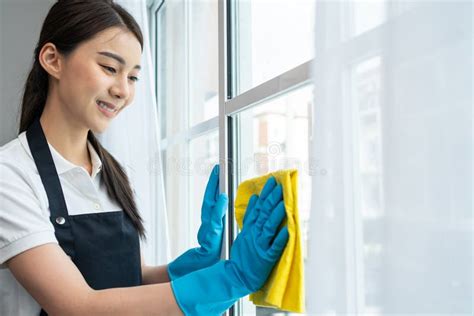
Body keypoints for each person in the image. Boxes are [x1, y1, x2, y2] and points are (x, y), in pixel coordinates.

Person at [0, 0, 289, 315]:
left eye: (133, 77)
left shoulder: (111, 172)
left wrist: (191, 267)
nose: (123, 90)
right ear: (53, 59)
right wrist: (230, 279)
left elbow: (129, 282)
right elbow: (77, 306)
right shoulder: (11, 175)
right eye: (110, 68)